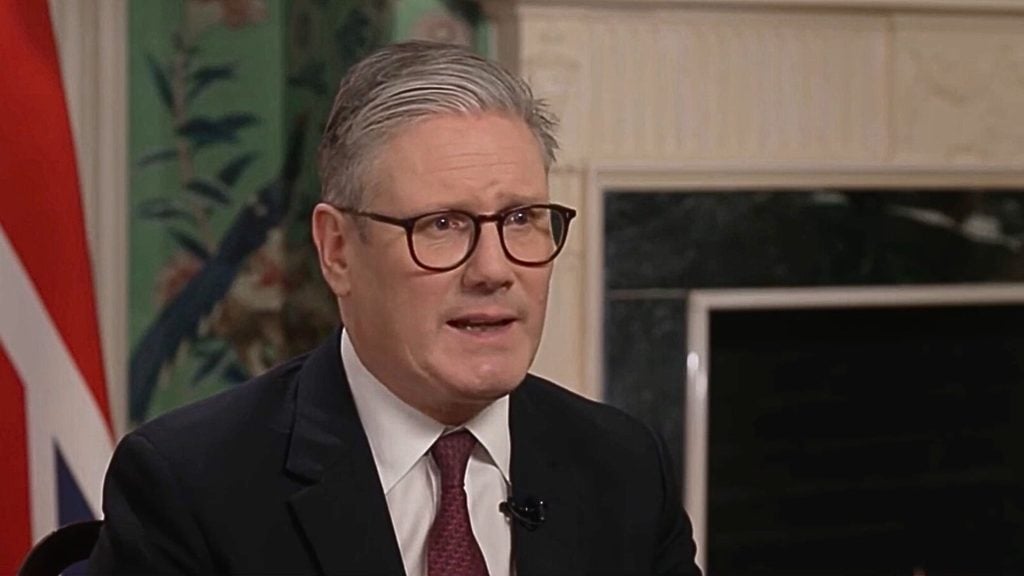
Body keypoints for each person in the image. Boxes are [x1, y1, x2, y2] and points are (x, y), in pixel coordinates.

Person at [88, 41, 701, 576]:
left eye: (521, 219)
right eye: (441, 224)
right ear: (337, 251)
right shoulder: (191, 485)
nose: (493, 270)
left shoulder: (624, 466)